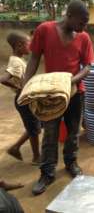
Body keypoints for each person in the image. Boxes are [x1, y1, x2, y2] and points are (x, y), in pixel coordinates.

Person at [23, 0, 94, 195]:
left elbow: (88, 66)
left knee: (73, 132)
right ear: (69, 16)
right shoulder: (45, 30)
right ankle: (47, 172)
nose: (84, 26)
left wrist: (71, 81)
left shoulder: (84, 38)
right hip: (50, 95)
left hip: (75, 93)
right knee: (50, 133)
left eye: (86, 23)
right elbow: (34, 59)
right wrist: (25, 87)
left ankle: (71, 163)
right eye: (82, 22)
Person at [0, 31, 41, 164]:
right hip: (23, 100)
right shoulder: (16, 62)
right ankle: (36, 157)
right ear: (19, 45)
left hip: (25, 99)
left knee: (34, 127)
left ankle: (15, 147)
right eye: (29, 43)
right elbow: (3, 78)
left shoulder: (18, 59)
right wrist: (18, 88)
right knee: (34, 130)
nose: (31, 46)